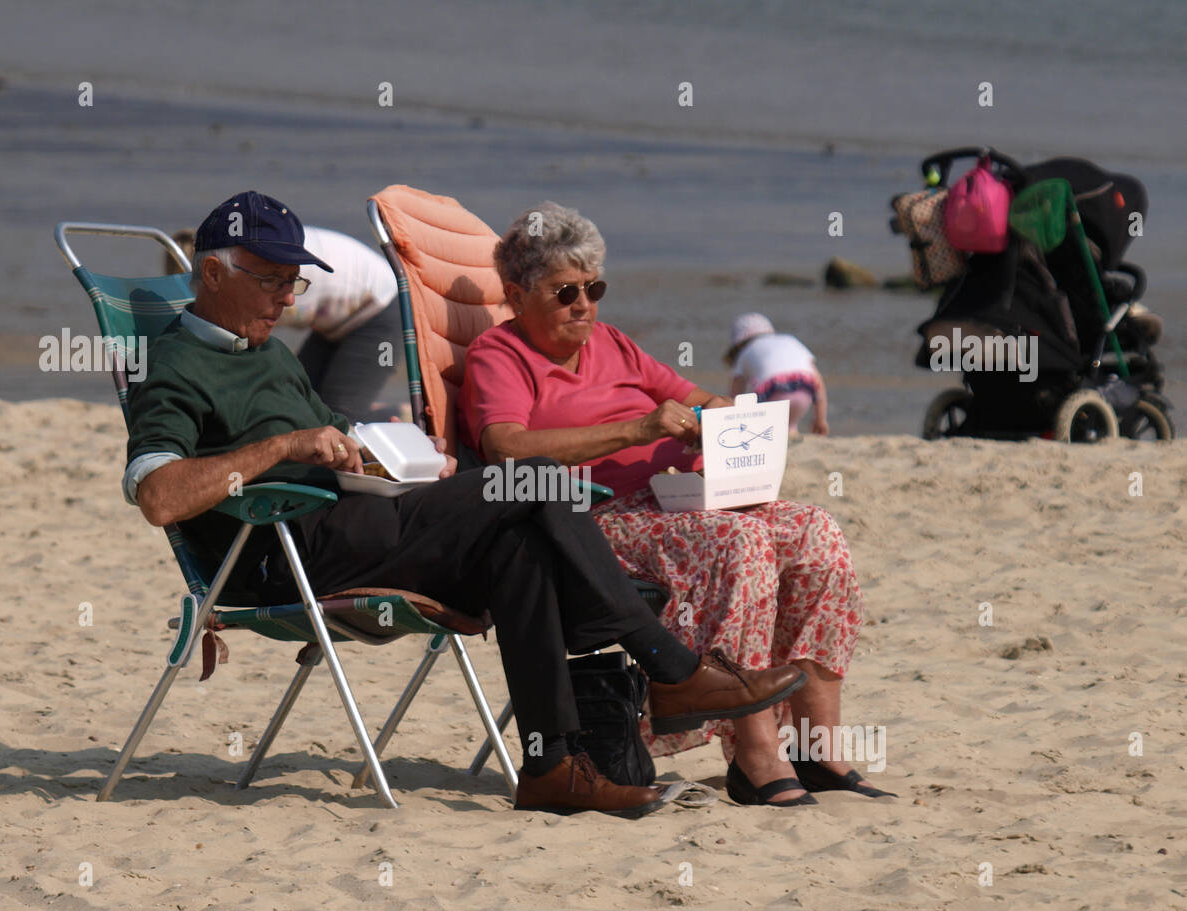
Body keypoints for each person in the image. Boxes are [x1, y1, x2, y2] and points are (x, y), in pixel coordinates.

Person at [126, 190, 807, 818]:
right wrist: (279, 450)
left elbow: (332, 431)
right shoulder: (175, 365)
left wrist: (389, 452)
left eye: (293, 281)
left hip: (366, 520)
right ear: (212, 274)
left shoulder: (269, 354)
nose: (287, 298)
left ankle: (551, 767)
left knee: (521, 545)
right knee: (531, 478)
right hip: (286, 551)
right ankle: (673, 668)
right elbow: (159, 496)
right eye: (271, 279)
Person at [459, 201, 893, 806]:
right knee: (740, 543)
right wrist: (637, 432)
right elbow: (505, 448)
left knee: (814, 531)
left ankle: (818, 751)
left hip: (673, 501)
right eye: (564, 293)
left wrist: (728, 430)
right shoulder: (498, 357)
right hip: (587, 520)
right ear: (515, 293)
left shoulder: (612, 343)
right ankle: (756, 756)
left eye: (593, 288)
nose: (583, 305)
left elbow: (701, 399)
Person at [165, 224, 404, 422]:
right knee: (304, 400)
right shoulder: (237, 256)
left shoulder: (262, 278)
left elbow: (242, 346)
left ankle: (392, 420)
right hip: (340, 310)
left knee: (340, 412)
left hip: (381, 303)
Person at [725, 313, 829, 436]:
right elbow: (818, 381)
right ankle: (792, 432)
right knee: (790, 425)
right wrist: (820, 419)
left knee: (766, 427)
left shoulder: (745, 353)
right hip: (804, 387)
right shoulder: (789, 340)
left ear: (738, 344)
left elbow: (736, 394)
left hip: (773, 391)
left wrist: (733, 419)